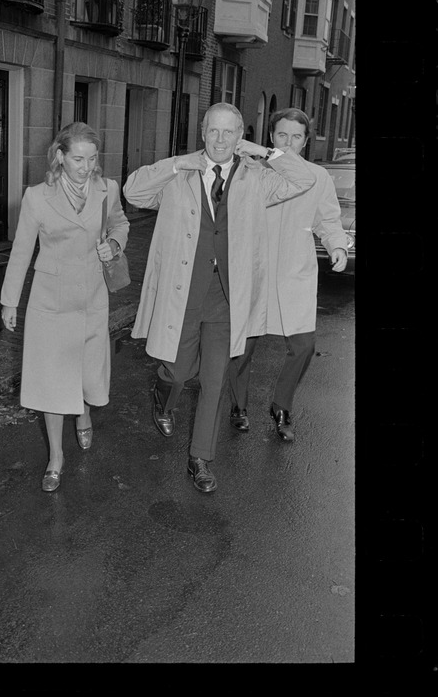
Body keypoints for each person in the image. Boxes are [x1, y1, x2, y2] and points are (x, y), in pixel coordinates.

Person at [123, 103, 316, 493]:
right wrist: (179, 163)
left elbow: (303, 178)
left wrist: (261, 151)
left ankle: (200, 459)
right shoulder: (179, 176)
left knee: (214, 382)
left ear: (241, 134)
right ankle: (163, 396)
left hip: (228, 299)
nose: (222, 139)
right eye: (214, 131)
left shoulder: (257, 178)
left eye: (230, 132)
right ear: (203, 133)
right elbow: (133, 191)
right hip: (184, 295)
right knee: (178, 371)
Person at [0, 122, 129, 492]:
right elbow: (22, 250)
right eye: (77, 159)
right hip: (50, 302)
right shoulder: (37, 197)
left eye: (91, 159)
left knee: (89, 377)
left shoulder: (108, 190)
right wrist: (10, 301)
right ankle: (56, 456)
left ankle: (84, 409)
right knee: (51, 383)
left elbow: (120, 222)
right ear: (60, 156)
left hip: (91, 299)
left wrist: (115, 244)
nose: (86, 167)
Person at [226, 107, 349, 442]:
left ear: (306, 141)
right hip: (254, 271)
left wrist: (337, 245)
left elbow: (328, 221)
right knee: (242, 345)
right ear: (270, 137)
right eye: (282, 135)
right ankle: (238, 405)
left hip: (295, 272)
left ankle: (281, 405)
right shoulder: (250, 171)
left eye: (296, 136)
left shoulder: (317, 177)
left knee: (304, 345)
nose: (289, 143)